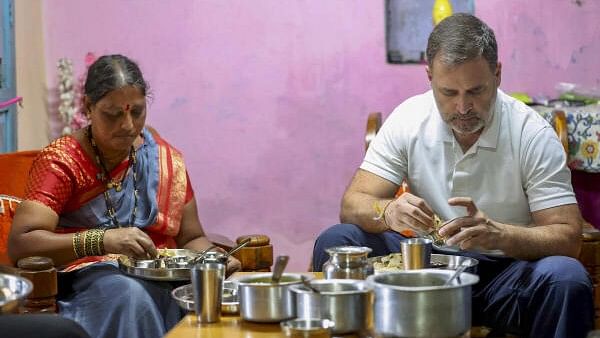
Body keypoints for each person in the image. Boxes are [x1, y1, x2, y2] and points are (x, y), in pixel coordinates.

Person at [312, 13, 594, 338]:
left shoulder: (531, 133)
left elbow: (568, 238)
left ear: (498, 74)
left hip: (503, 273)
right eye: (448, 92)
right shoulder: (409, 119)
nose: (462, 107)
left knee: (567, 278)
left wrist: (500, 235)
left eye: (476, 91)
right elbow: (352, 204)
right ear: (430, 76)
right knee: (337, 241)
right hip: (420, 271)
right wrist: (387, 211)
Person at [7, 54, 241, 338]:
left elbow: (190, 238)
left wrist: (213, 258)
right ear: (88, 107)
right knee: (132, 296)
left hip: (163, 276)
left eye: (137, 112)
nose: (128, 125)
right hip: (93, 280)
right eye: (113, 114)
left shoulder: (160, 158)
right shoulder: (63, 161)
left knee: (208, 295)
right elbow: (22, 243)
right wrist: (102, 240)